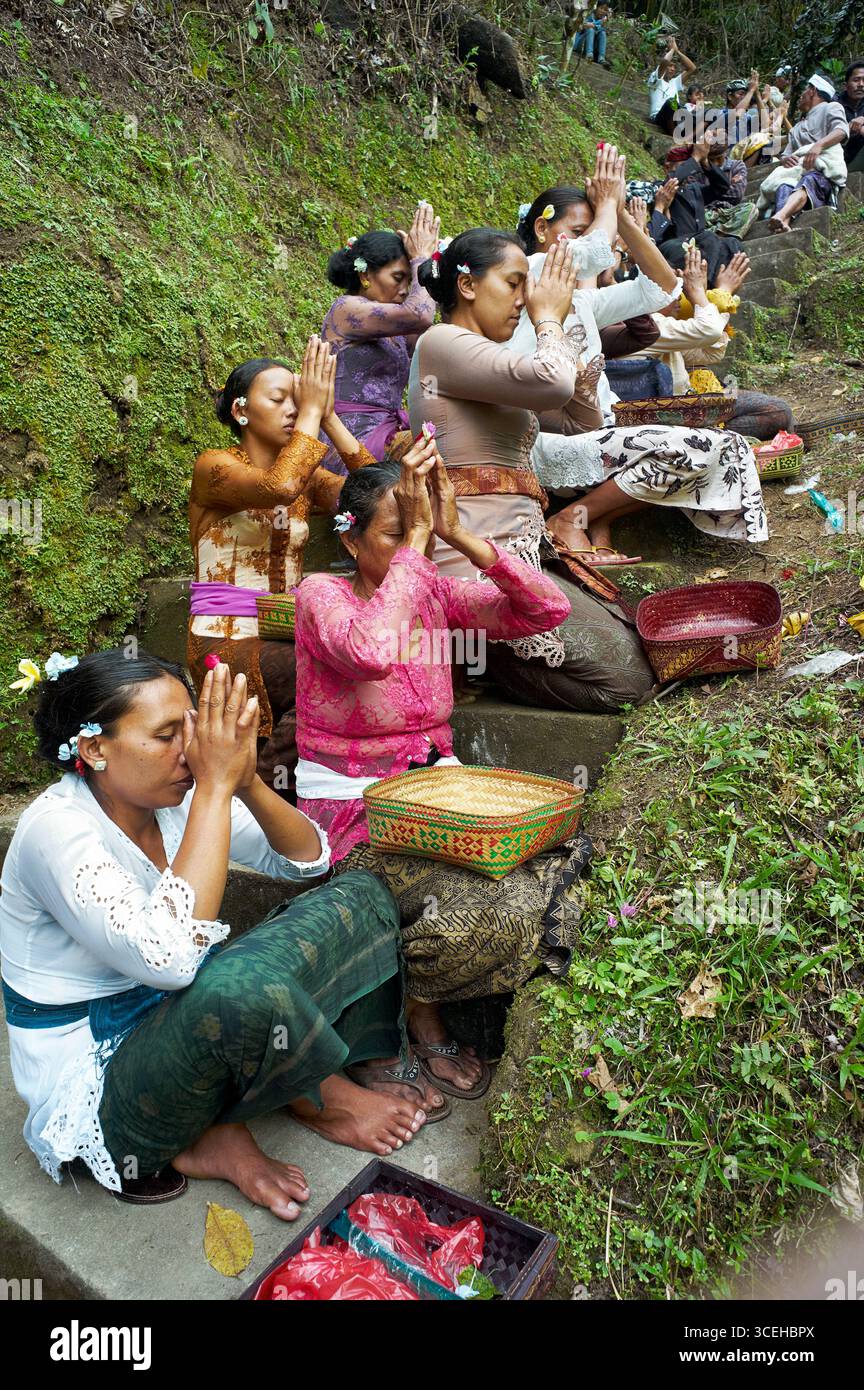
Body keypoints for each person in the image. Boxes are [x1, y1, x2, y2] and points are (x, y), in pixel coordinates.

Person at [1, 650, 441, 1217]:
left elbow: (307, 858)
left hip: (183, 1014)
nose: (189, 751)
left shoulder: (175, 800)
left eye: (190, 729)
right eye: (165, 736)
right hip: (110, 1084)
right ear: (94, 749)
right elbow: (172, 963)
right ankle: (305, 1098)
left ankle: (242, 1109)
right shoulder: (55, 831)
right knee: (234, 986)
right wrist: (212, 789)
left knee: (363, 894)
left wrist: (244, 780)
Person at [294, 441, 591, 1097]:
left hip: (442, 797)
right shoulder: (321, 594)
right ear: (349, 538)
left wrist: (459, 532)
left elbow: (546, 610)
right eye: (398, 534)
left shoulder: (427, 589)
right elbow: (369, 650)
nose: (415, 550)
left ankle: (442, 995)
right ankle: (418, 1016)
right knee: (488, 904)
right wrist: (415, 557)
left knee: (564, 853)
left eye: (419, 534)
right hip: (356, 811)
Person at [407, 221, 656, 713]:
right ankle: (486, 659)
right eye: (514, 282)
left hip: (520, 555)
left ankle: (492, 656)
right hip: (476, 566)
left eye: (528, 286)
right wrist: (549, 320)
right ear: (467, 285)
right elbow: (550, 381)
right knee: (629, 684)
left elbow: (572, 417)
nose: (524, 298)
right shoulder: (440, 342)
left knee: (636, 651)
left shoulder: (484, 358)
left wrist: (583, 386)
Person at [510, 169, 767, 567]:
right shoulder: (522, 277)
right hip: (549, 448)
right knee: (705, 448)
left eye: (589, 232)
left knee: (723, 447)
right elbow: (596, 255)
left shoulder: (583, 303)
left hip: (599, 436)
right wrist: (610, 203)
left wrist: (625, 219)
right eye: (577, 231)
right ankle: (572, 518)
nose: (591, 243)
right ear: (541, 228)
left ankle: (588, 519)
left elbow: (663, 287)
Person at [188, 342, 376, 800]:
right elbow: (279, 485)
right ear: (240, 410)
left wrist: (328, 416)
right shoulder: (215, 466)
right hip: (224, 635)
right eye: (279, 399)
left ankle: (271, 791)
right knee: (327, 669)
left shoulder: (308, 477)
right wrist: (312, 414)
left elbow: (376, 494)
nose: (293, 409)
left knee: (355, 660)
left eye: (299, 399)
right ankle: (252, 798)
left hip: (287, 629)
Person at [627, 245, 796, 439]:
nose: (678, 294)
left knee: (777, 411)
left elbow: (712, 353)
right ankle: (712, 438)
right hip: (673, 420)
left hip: (689, 407)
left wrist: (707, 295)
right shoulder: (648, 326)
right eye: (670, 285)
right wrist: (712, 293)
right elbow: (709, 330)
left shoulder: (664, 326)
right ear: (646, 292)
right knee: (778, 412)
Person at [319, 202, 440, 472]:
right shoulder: (345, 308)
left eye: (409, 281)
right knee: (442, 446)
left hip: (387, 432)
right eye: (398, 278)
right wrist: (422, 258)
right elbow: (421, 314)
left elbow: (430, 334)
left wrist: (439, 268)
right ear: (364, 275)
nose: (405, 289)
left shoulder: (397, 329)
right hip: (348, 438)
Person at [650, 139, 749, 284]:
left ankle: (720, 285)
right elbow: (673, 180)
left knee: (733, 244)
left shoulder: (694, 189)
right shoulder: (659, 188)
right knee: (709, 237)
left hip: (699, 244)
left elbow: (722, 186)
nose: (690, 171)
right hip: (674, 245)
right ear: (667, 167)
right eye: (685, 166)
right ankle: (704, 286)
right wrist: (695, 158)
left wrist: (705, 163)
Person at [761, 73, 850, 232]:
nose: (801, 96)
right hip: (797, 172)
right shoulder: (796, 129)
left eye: (804, 91)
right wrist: (785, 159)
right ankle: (784, 222)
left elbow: (841, 131)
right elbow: (786, 154)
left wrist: (818, 146)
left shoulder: (831, 107)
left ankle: (782, 216)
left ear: (812, 91)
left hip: (822, 171)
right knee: (784, 186)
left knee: (809, 180)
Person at [648, 37, 697, 135]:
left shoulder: (674, 82)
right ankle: (674, 135)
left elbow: (692, 68)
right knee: (672, 102)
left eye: (674, 67)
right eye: (670, 66)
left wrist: (677, 51)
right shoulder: (655, 78)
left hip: (676, 117)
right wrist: (672, 49)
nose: (672, 69)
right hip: (659, 117)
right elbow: (665, 61)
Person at [839, 58, 864, 173]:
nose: (861, 85)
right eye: (856, 80)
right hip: (841, 163)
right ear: (845, 85)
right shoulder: (835, 105)